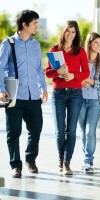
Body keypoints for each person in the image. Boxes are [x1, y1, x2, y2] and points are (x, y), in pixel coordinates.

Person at [0, 10, 48, 178]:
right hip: (14, 95)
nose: (36, 26)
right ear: (24, 25)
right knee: (14, 131)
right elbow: (0, 67)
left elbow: (38, 69)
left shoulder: (36, 45)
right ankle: (16, 165)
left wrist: (44, 88)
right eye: (34, 23)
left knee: (36, 128)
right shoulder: (8, 43)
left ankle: (30, 159)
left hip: (33, 95)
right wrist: (1, 90)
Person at [46, 20, 90, 175]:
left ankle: (67, 163)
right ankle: (60, 160)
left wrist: (73, 75)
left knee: (71, 131)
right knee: (60, 130)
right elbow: (48, 73)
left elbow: (86, 72)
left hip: (75, 94)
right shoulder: (55, 49)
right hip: (58, 94)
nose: (70, 35)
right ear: (63, 32)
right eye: (68, 31)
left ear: (76, 34)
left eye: (73, 32)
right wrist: (58, 72)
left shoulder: (80, 51)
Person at [78, 32, 100, 173]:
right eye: (96, 42)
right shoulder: (80, 58)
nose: (98, 45)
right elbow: (75, 76)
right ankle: (87, 156)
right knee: (83, 131)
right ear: (89, 43)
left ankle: (88, 161)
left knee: (91, 131)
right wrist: (81, 81)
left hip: (95, 100)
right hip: (79, 99)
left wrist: (88, 80)